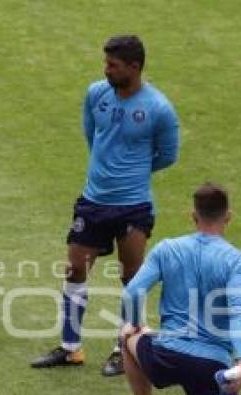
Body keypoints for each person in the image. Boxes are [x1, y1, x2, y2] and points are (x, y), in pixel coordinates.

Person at [31, 35, 179, 376]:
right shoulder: (96, 93)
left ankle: (123, 349)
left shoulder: (158, 108)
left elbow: (167, 155)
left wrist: (133, 173)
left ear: (134, 67)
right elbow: (91, 134)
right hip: (93, 202)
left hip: (133, 207)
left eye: (113, 65)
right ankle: (70, 349)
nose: (106, 70)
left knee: (131, 277)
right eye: (106, 63)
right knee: (75, 269)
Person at [119, 183, 241, 395]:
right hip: (210, 365)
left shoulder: (167, 249)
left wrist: (133, 324)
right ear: (228, 217)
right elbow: (239, 310)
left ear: (194, 216)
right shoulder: (238, 262)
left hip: (165, 356)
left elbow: (132, 292)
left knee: (126, 335)